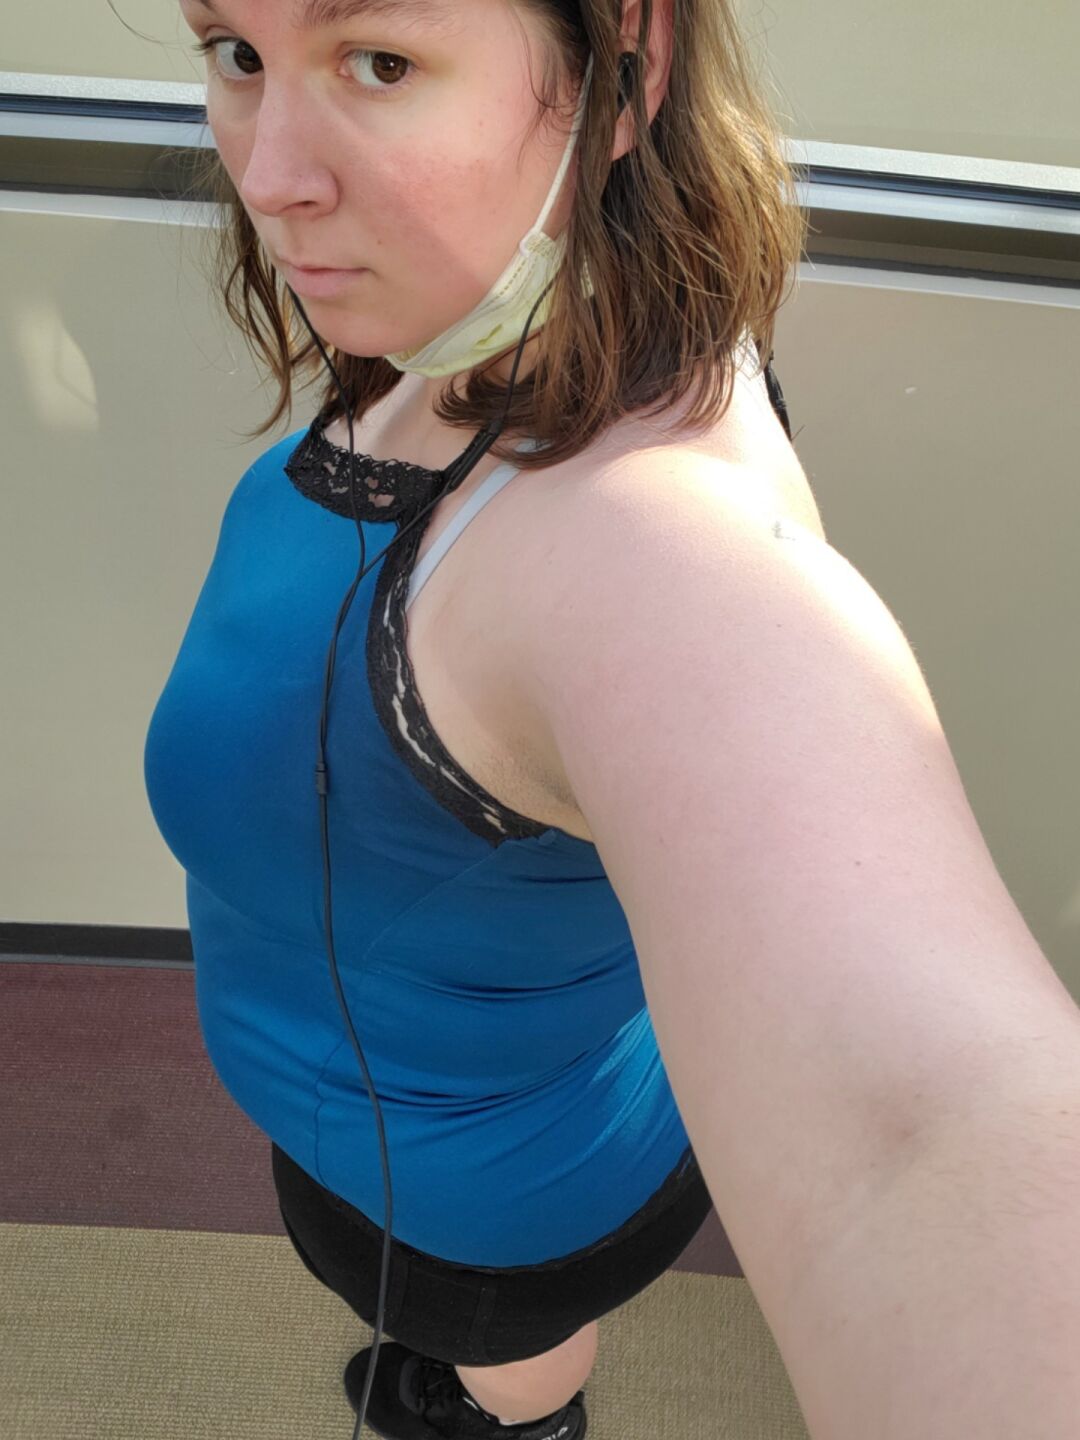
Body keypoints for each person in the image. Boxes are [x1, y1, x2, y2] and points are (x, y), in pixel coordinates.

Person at [146, 1, 1080, 1439]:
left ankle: (518, 1418)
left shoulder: (641, 548)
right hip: (429, 1124)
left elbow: (923, 1128)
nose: (269, 176)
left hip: (492, 1223)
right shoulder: (558, 307)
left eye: (380, 62)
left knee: (501, 1359)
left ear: (624, 66)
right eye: (237, 55)